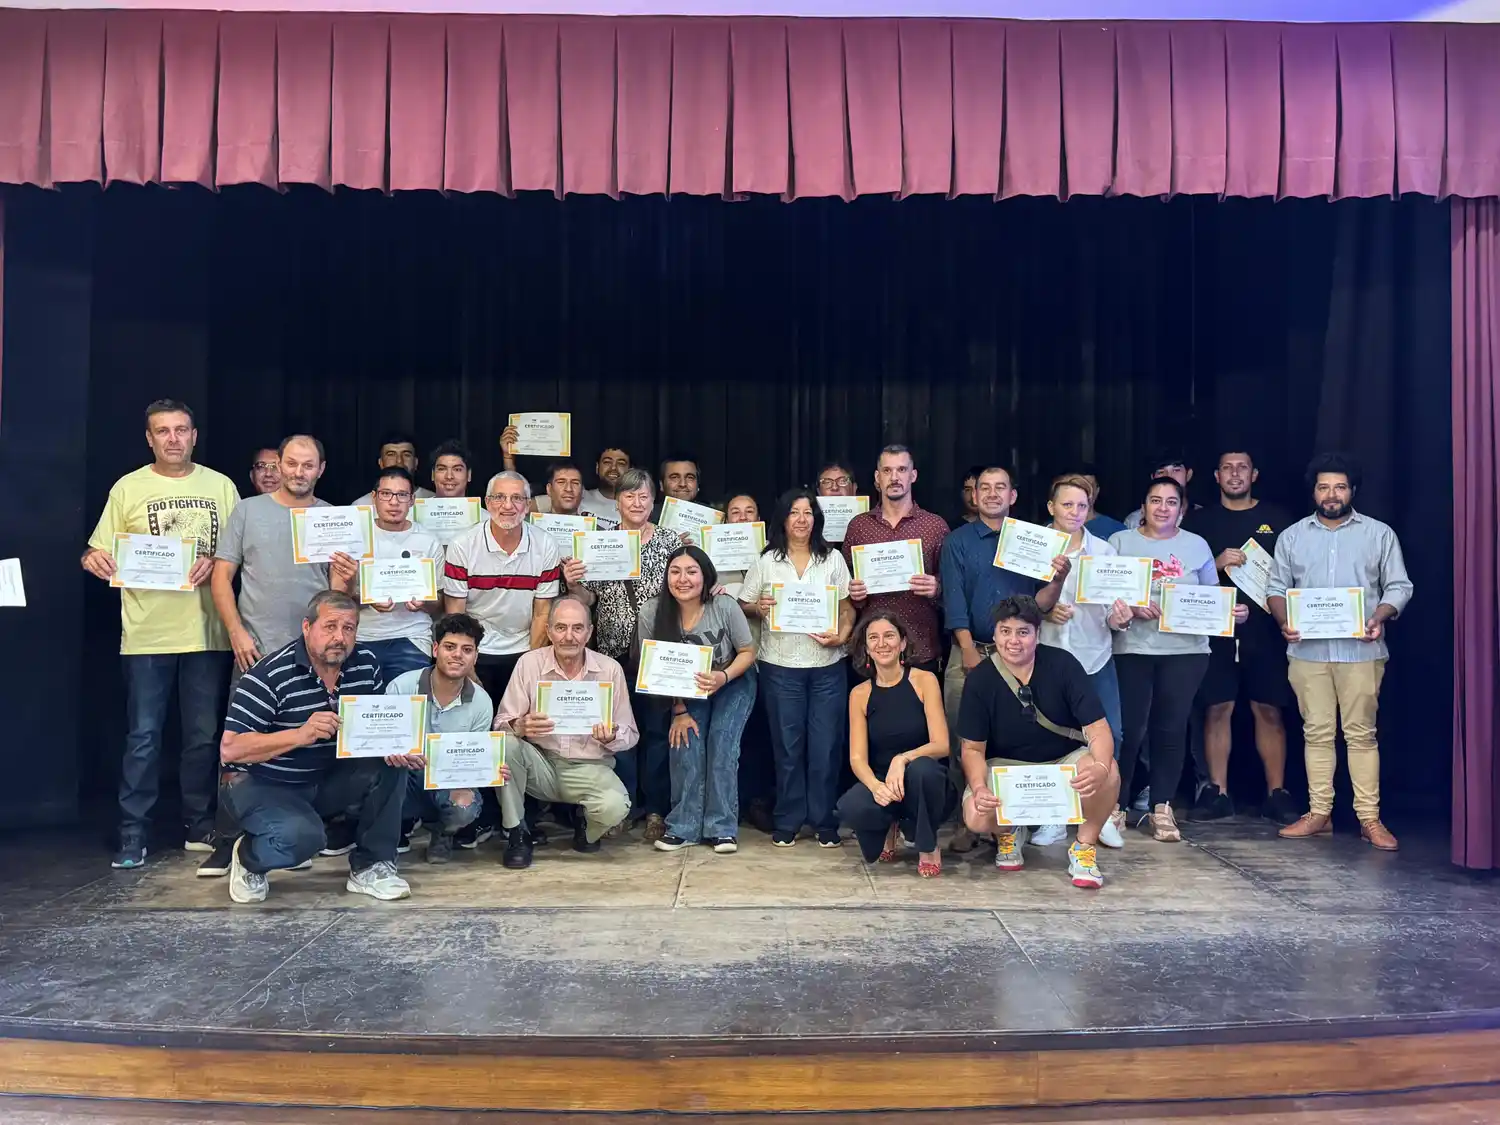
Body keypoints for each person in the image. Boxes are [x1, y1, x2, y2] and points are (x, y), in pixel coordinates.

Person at [81, 399, 240, 868]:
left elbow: (239, 552)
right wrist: (93, 559)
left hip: (207, 631)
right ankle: (133, 832)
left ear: (194, 436)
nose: (173, 438)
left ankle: (199, 824)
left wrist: (216, 561)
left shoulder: (221, 486)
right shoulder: (128, 487)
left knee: (202, 737)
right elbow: (96, 550)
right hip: (147, 633)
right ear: (149, 439)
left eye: (181, 429)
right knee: (144, 737)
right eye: (163, 431)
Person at [220, 590, 413, 904]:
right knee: (303, 839)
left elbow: (375, 729)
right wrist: (300, 734)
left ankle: (372, 866)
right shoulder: (268, 675)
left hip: (325, 778)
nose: (339, 637)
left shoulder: (366, 664)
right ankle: (249, 856)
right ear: (307, 627)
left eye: (348, 628)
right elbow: (231, 750)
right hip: (265, 784)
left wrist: (396, 745)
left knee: (389, 765)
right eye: (330, 626)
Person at [1268, 454, 1413, 851]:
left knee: (1361, 735)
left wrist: (1380, 616)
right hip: (1307, 653)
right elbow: (1276, 588)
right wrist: (1284, 621)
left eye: (1340, 487)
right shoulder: (1292, 537)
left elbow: (1399, 586)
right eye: (1324, 487)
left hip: (1362, 651)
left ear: (1352, 491)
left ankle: (1369, 819)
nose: (1331, 495)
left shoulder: (1379, 534)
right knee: (1316, 733)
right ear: (1313, 491)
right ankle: (1319, 814)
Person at [1110, 477, 1247, 842]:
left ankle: (1162, 807)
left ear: (1182, 509)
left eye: (1171, 502)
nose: (1163, 508)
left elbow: (1212, 597)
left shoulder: (1196, 545)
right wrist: (1129, 607)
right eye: (1155, 500)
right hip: (1133, 649)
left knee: (1171, 729)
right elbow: (1102, 593)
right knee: (1129, 731)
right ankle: (1116, 806)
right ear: (1143, 506)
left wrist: (1233, 613)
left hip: (1186, 652)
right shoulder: (1120, 543)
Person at [959, 597, 1120, 887]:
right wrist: (980, 787)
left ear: (1037, 633)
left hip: (1062, 761)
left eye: (1023, 632)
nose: (1013, 641)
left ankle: (1084, 847)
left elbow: (1097, 728)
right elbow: (972, 748)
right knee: (976, 816)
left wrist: (1101, 767)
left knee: (1108, 770)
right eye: (1005, 631)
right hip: (1006, 767)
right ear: (994, 634)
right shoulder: (980, 679)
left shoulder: (1063, 664)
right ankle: (1008, 832)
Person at [563, 467, 678, 840]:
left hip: (658, 656)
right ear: (617, 501)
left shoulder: (670, 541)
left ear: (654, 500)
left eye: (644, 496)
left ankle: (657, 809)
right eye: (629, 496)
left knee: (657, 734)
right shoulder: (598, 542)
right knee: (618, 736)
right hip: (612, 656)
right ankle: (625, 807)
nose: (637, 503)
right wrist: (573, 584)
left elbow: (687, 589)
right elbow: (588, 598)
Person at [1185, 449, 1297, 824]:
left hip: (1266, 631)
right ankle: (1217, 793)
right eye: (1227, 468)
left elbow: (1294, 573)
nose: (1235, 474)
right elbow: (1180, 577)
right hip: (1215, 631)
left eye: (1242, 468)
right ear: (1216, 476)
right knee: (1217, 709)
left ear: (1254, 474)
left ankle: (1277, 793)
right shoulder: (1199, 522)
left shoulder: (1278, 520)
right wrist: (1215, 564)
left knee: (1269, 709)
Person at [739, 488, 855, 847]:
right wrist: (759, 607)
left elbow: (847, 607)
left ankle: (823, 820)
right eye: (794, 512)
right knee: (787, 748)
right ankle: (788, 819)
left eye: (808, 512)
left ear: (816, 518)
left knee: (826, 747)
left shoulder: (832, 559)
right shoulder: (766, 561)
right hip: (780, 666)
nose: (802, 519)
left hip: (827, 666)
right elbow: (743, 604)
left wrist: (843, 634)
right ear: (783, 519)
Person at [493, 596, 639, 866]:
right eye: (560, 628)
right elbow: (501, 722)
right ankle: (517, 833)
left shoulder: (610, 670)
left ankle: (587, 826)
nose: (568, 636)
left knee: (616, 807)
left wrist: (612, 736)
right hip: (541, 763)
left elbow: (630, 733)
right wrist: (519, 725)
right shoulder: (529, 663)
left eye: (577, 628)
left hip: (590, 767)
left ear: (589, 632)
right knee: (506, 744)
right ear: (549, 631)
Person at [939, 465, 1065, 763]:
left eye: (1000, 487)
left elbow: (1040, 605)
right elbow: (954, 600)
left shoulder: (1032, 539)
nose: (992, 494)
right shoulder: (957, 541)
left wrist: (1058, 580)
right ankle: (963, 794)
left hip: (1020, 653)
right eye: (984, 487)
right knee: (961, 737)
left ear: (1013, 495)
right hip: (969, 651)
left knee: (1019, 734)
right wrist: (968, 650)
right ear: (974, 495)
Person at [639, 546, 758, 853]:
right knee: (685, 742)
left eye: (691, 572)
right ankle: (683, 827)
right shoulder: (651, 612)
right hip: (684, 691)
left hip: (732, 680)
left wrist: (723, 677)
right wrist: (679, 711)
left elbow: (748, 652)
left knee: (722, 742)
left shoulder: (723, 605)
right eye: (675, 571)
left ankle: (722, 829)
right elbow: (654, 670)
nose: (683, 579)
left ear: (705, 577)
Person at [1038, 474, 1134, 847]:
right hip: (1046, 656)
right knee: (1051, 737)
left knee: (1112, 735)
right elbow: (1017, 601)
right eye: (1067, 504)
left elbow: (1113, 614)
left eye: (1082, 505)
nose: (1075, 512)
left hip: (1094, 656)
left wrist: (1121, 619)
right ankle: (1053, 816)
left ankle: (1102, 814)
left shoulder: (1106, 553)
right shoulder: (1034, 546)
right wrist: (1043, 612)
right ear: (1051, 507)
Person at [213, 434, 340, 676]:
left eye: (308, 465)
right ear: (279, 464)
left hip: (315, 652)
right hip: (255, 651)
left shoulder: (333, 517)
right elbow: (221, 577)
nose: (299, 473)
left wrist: (350, 578)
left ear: (321, 469)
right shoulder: (247, 510)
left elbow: (338, 591)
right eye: (291, 463)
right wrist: (236, 633)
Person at [835, 613, 951, 877]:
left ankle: (927, 845)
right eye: (873, 638)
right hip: (884, 780)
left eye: (889, 636)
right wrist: (876, 787)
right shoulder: (859, 694)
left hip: (926, 779)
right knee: (851, 806)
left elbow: (941, 744)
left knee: (922, 770)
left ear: (902, 643)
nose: (882, 644)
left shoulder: (924, 680)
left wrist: (902, 759)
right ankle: (888, 825)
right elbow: (857, 758)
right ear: (866, 648)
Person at [386, 613, 498, 864]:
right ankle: (393, 830)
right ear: (435, 649)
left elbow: (475, 758)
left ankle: (443, 832)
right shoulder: (402, 687)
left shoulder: (481, 701)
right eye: (450, 647)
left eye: (467, 650)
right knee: (375, 781)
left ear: (475, 657)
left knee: (465, 805)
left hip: (449, 778)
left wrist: (489, 769)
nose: (457, 655)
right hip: (406, 776)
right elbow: (385, 745)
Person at [441, 470, 561, 703]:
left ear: (527, 505)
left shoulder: (545, 544)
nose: (508, 505)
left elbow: (542, 613)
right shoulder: (462, 545)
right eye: (499, 497)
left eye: (517, 498)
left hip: (524, 647)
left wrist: (530, 666)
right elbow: (456, 615)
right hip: (476, 649)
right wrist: (468, 667)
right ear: (487, 503)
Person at [843, 446, 949, 674]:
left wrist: (937, 587)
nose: (894, 477)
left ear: (913, 475)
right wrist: (854, 593)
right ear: (877, 477)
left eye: (901, 469)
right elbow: (844, 585)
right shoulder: (858, 526)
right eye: (887, 470)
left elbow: (953, 583)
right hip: (873, 650)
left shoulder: (935, 526)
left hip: (921, 645)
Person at [358, 466, 444, 683]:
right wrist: (367, 599)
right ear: (374, 497)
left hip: (413, 637)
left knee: (408, 702)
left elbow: (439, 603)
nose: (394, 502)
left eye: (402, 495)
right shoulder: (357, 537)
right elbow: (340, 596)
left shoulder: (429, 541)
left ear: (412, 500)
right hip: (363, 636)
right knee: (361, 702)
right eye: (386, 494)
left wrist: (425, 603)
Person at [720, 494, 775, 832]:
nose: (742, 518)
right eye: (735, 512)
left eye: (749, 512)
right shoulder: (711, 556)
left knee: (761, 733)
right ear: (725, 519)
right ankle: (732, 801)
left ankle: (758, 801)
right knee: (730, 734)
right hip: (727, 660)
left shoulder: (773, 554)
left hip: (767, 654)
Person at [351, 431, 435, 507]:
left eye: (406, 455)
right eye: (391, 454)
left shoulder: (433, 500)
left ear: (416, 463)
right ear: (381, 463)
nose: (399, 461)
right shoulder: (360, 505)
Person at [1122, 450, 1197, 530]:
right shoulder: (1135, 521)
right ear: (1153, 478)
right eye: (1161, 472)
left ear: (1188, 474)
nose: (1169, 476)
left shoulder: (1203, 517)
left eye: (1176, 470)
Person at [1070, 463, 1126, 540]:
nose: (1084, 492)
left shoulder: (1117, 530)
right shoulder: (1053, 528)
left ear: (1097, 491)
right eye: (1078, 487)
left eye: (1089, 487)